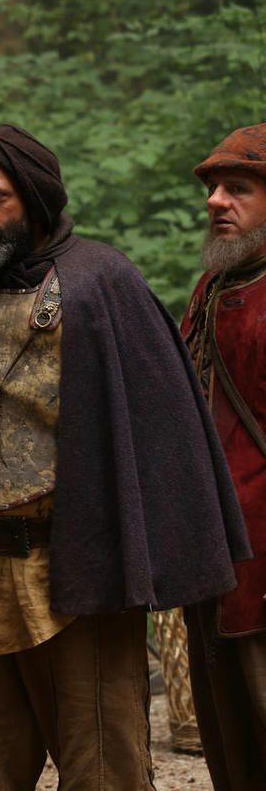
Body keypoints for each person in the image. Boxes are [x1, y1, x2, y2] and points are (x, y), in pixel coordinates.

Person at [0, 124, 250, 790]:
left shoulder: (103, 285)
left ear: (37, 198)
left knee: (106, 775)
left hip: (80, 579)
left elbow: (160, 435)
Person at [181, 123, 266, 791]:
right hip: (216, 553)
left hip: (261, 554)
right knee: (229, 735)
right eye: (213, 188)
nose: (215, 200)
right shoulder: (212, 286)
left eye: (237, 187)